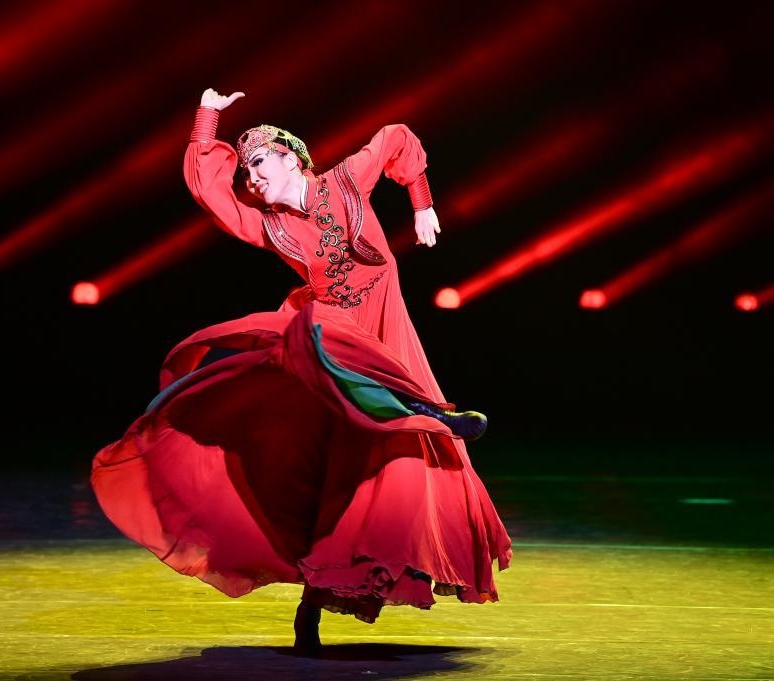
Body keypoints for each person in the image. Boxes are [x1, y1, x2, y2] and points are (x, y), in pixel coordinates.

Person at [91, 88, 512, 656]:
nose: (252, 178)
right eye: (247, 170)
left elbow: (396, 136)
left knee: (365, 478)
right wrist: (207, 118)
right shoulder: (272, 227)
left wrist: (421, 202)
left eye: (259, 163)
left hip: (385, 327)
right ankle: (427, 414)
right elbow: (212, 194)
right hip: (333, 334)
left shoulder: (345, 182)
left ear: (292, 158)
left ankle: (419, 419)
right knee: (335, 411)